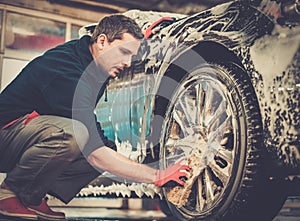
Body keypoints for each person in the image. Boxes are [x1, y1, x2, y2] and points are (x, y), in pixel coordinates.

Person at [0, 14, 190, 220]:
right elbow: (93, 149)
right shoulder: (66, 68)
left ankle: (31, 197)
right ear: (102, 41)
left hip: (23, 137)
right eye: (124, 52)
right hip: (6, 135)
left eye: (131, 56)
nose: (128, 63)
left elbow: (92, 133)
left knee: (105, 147)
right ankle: (9, 193)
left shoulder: (89, 66)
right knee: (75, 135)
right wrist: (157, 175)